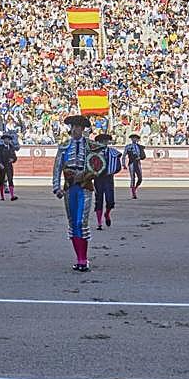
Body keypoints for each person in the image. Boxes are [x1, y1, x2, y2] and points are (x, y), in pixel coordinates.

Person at [51, 114, 97, 272]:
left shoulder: (92, 146)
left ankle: (83, 259)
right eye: (73, 127)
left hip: (85, 187)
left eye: (78, 127)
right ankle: (79, 259)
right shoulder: (64, 146)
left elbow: (98, 167)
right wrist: (56, 187)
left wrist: (86, 175)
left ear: (83, 130)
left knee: (81, 223)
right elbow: (57, 168)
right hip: (70, 188)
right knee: (72, 223)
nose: (75, 129)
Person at [93, 133, 122, 229]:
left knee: (110, 200)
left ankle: (107, 214)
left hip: (109, 178)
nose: (104, 143)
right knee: (99, 200)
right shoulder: (94, 153)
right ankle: (99, 223)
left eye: (105, 141)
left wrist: (112, 171)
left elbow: (118, 167)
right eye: (102, 141)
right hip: (98, 178)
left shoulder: (113, 152)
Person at [0, 133, 18, 201]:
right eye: (6, 139)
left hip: (9, 165)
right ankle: (2, 196)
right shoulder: (0, 147)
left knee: (10, 179)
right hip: (2, 165)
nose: (7, 140)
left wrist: (13, 159)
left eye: (8, 139)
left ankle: (12, 196)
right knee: (2, 180)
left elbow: (14, 157)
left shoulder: (11, 147)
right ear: (3, 140)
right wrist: (0, 164)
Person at [123, 133, 145, 199]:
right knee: (133, 178)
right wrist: (123, 164)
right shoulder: (128, 146)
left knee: (140, 178)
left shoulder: (140, 147)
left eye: (135, 138)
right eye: (133, 138)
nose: (134, 139)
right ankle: (133, 193)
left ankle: (135, 188)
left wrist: (140, 158)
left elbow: (143, 156)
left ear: (137, 139)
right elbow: (124, 156)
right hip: (131, 163)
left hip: (138, 163)